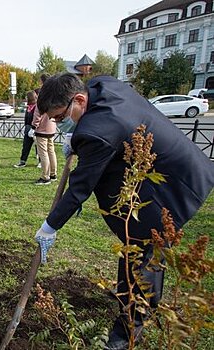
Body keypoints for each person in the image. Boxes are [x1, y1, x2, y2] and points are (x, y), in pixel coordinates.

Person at [34, 73, 214, 350]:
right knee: (133, 247)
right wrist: (79, 140)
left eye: (59, 117)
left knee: (145, 251)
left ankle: (129, 328)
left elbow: (80, 187)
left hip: (172, 187)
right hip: (163, 168)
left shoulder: (97, 130)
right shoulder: (101, 85)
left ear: (79, 100)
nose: (57, 124)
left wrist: (50, 226)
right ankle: (125, 293)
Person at [30, 94, 57, 185]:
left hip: (42, 130)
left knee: (43, 153)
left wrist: (33, 127)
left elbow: (37, 115)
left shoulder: (41, 100)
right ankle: (53, 174)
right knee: (51, 152)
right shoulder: (53, 98)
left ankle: (45, 177)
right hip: (51, 128)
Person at [14, 91, 38, 168]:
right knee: (25, 146)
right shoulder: (28, 107)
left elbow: (37, 118)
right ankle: (22, 161)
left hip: (35, 128)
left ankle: (41, 161)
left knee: (38, 146)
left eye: (27, 97)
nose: (26, 98)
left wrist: (33, 128)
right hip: (28, 128)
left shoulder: (37, 107)